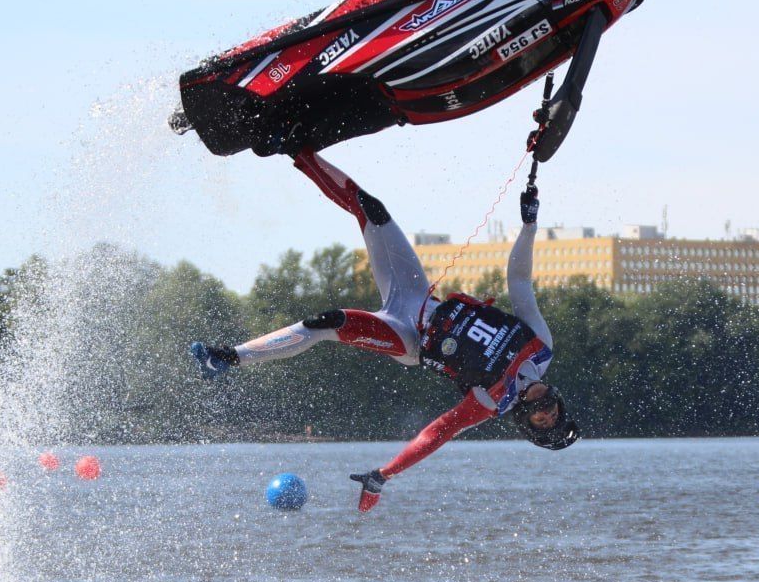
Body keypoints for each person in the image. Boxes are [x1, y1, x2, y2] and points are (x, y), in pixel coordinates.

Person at [190, 149, 578, 511]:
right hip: (417, 296)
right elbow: (521, 282)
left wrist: (383, 475)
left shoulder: (491, 402)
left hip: (406, 338)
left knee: (328, 323)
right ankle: (296, 148)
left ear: (524, 421)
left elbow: (435, 435)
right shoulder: (540, 346)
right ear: (559, 402)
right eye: (552, 413)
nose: (544, 410)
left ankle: (227, 357)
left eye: (539, 420)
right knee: (372, 209)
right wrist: (529, 225)